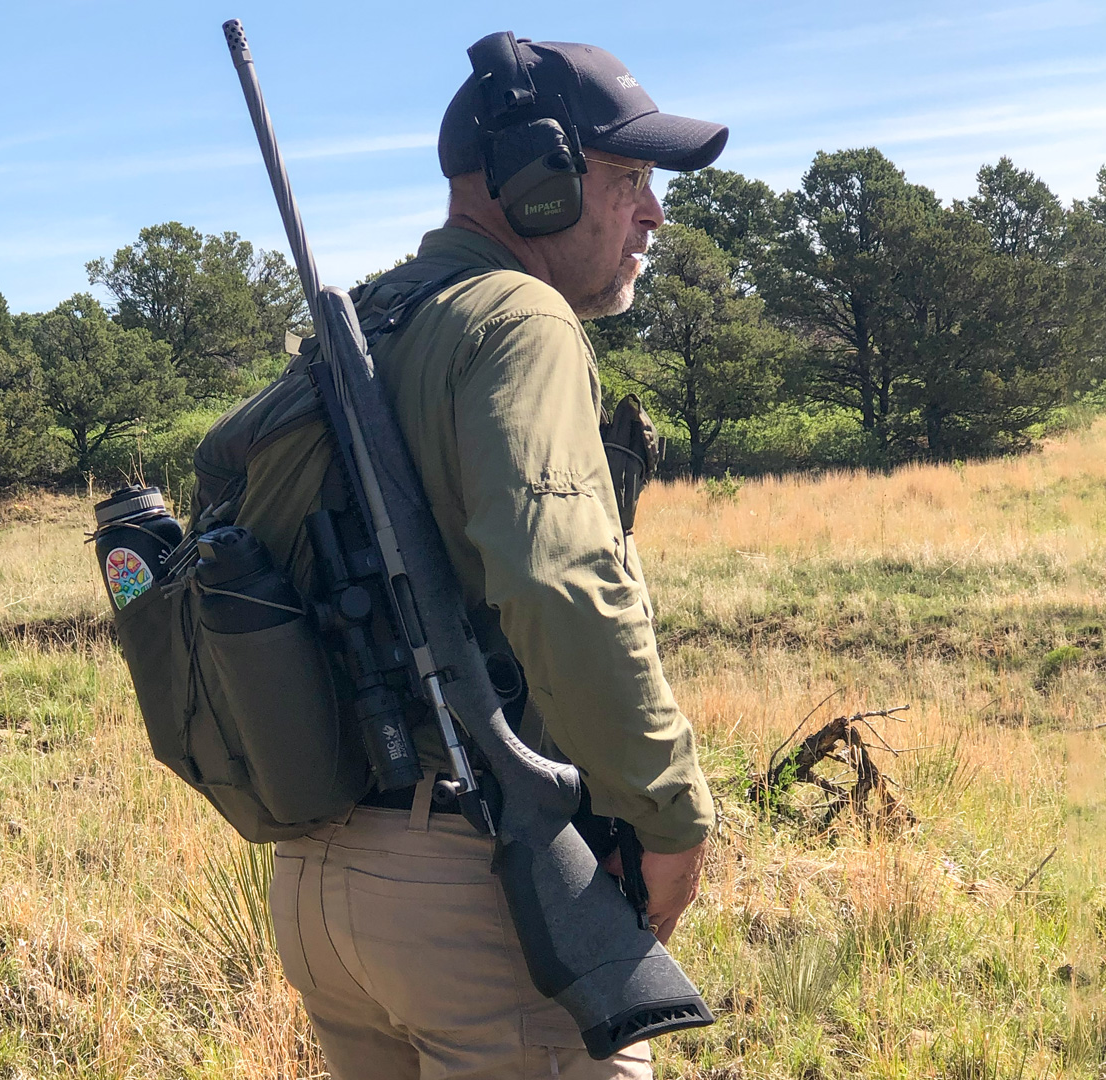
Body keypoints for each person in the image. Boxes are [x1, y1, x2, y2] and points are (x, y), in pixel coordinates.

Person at [214, 34, 728, 1080]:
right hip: (472, 886)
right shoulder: (519, 321)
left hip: (322, 887)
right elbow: (562, 578)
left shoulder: (369, 329)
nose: (653, 214)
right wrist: (669, 813)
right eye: (627, 177)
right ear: (536, 183)